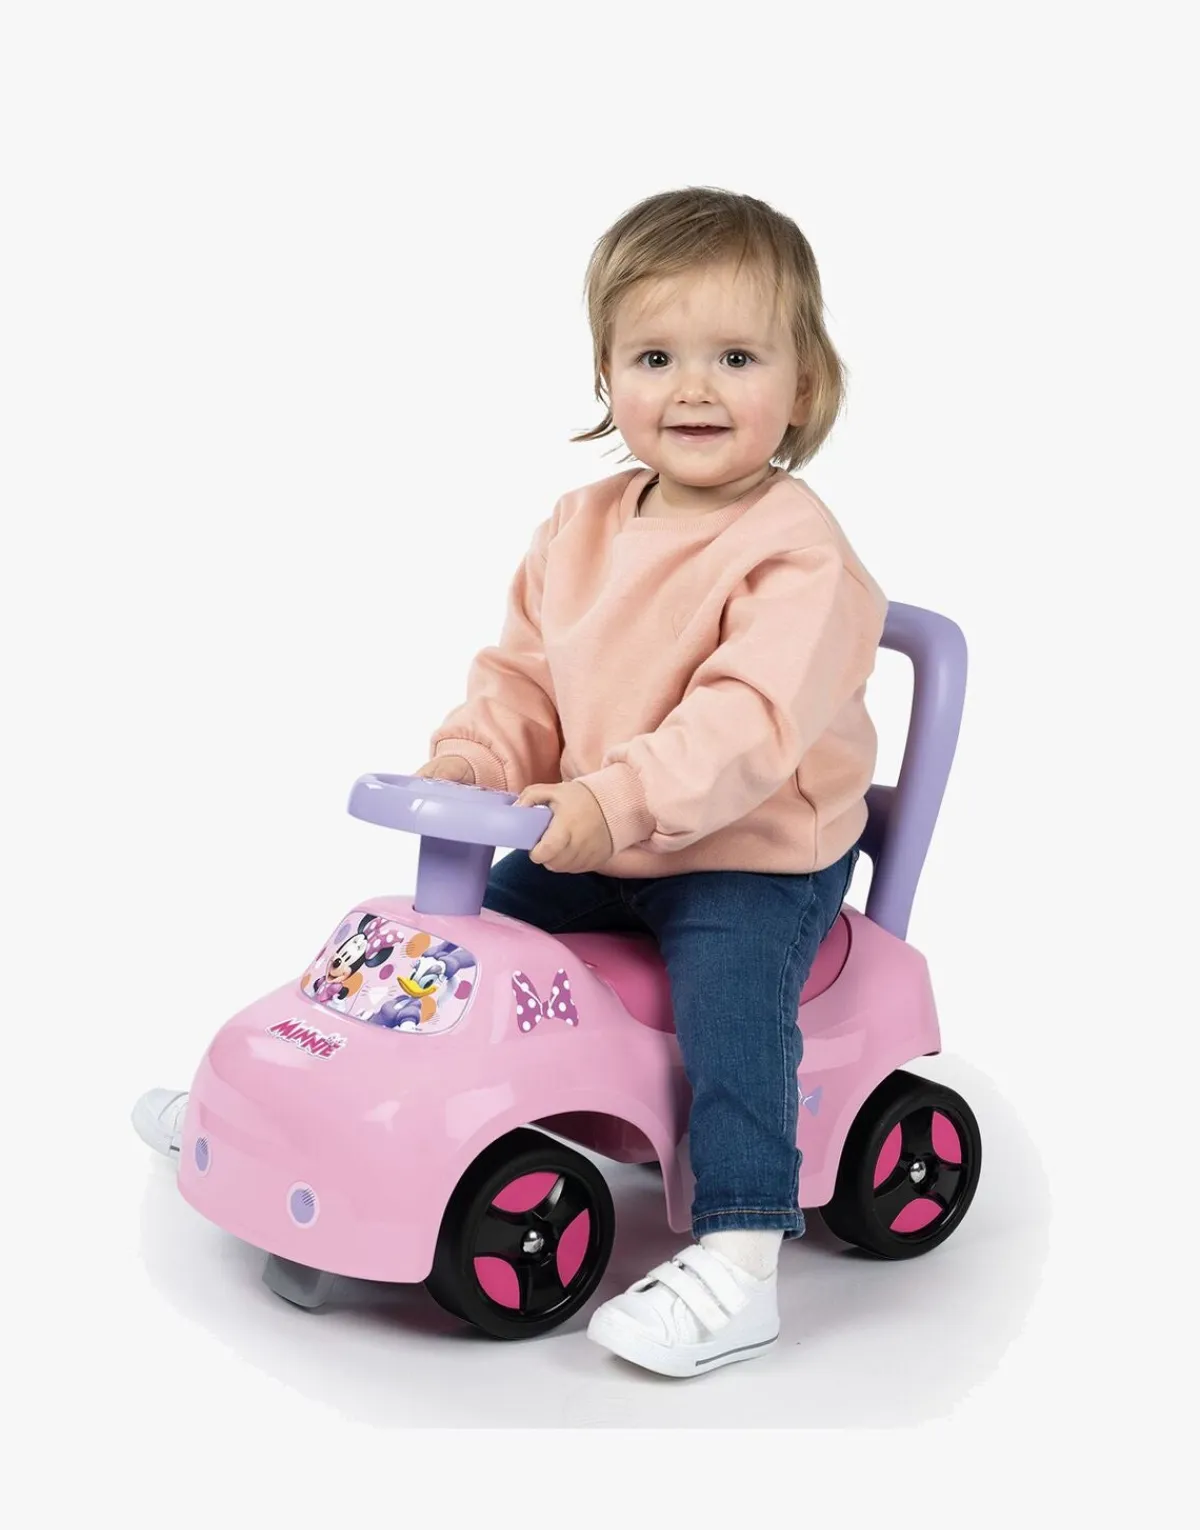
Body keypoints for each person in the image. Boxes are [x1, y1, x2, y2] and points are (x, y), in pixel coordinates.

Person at [132, 186, 887, 1379]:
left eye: (736, 357)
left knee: (731, 1013)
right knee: (449, 958)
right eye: (656, 356)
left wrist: (607, 801)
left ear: (803, 385)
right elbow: (525, 679)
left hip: (745, 854)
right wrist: (475, 762)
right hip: (598, 835)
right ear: (607, 375)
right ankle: (311, 1124)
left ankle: (742, 1251)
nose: (693, 387)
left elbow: (742, 728)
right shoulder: (578, 526)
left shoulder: (800, 554)